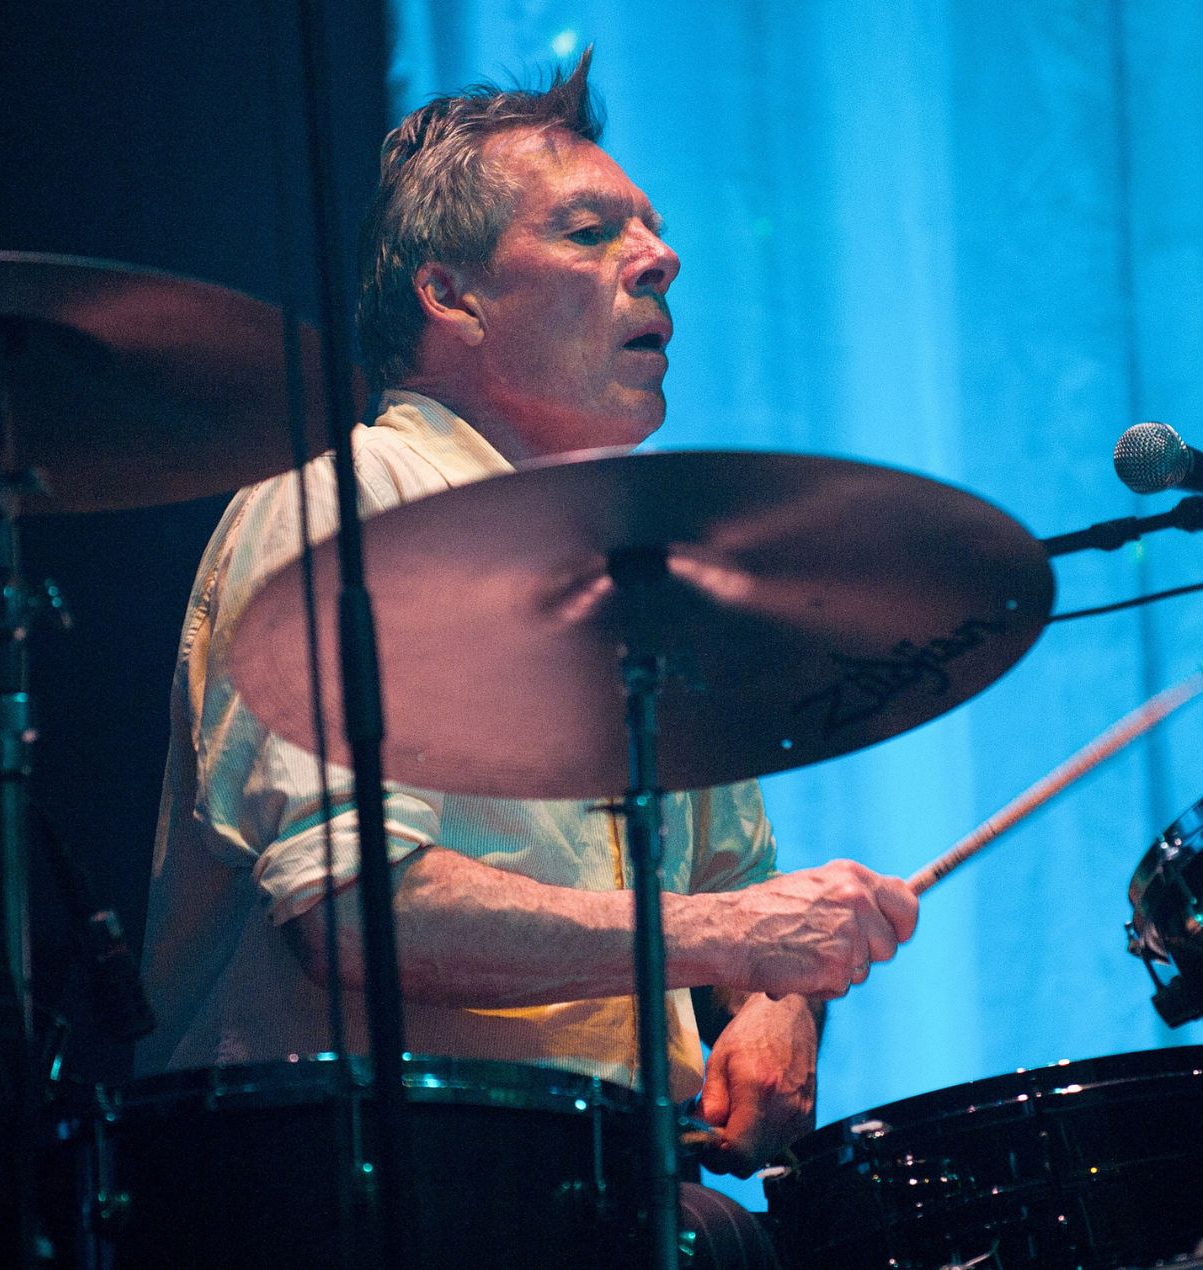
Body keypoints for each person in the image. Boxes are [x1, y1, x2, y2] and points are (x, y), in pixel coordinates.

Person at [137, 49, 919, 1263]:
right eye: (591, 232)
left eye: (652, 230)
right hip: (361, 1192)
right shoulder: (338, 514)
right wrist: (732, 937)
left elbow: (734, 895)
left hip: (608, 1185)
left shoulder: (644, 577)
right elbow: (351, 912)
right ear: (450, 295)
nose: (659, 259)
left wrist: (778, 1007)